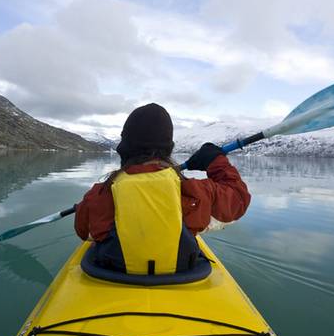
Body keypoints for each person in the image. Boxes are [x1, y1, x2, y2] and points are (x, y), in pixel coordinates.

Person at [75, 103, 251, 276]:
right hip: (183, 275)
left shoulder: (98, 195)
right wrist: (216, 161)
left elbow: (83, 231)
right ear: (168, 149)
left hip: (112, 274)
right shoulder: (195, 192)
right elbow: (239, 199)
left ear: (125, 148)